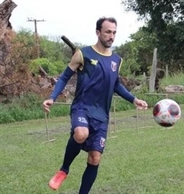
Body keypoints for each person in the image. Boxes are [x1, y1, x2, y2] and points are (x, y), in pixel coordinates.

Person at [43, 16, 148, 194]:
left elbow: (116, 84)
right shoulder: (83, 54)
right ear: (98, 32)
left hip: (102, 115)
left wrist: (133, 99)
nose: (111, 36)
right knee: (81, 133)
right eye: (108, 32)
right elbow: (64, 77)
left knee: (95, 158)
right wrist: (52, 97)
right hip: (82, 107)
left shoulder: (116, 60)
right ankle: (64, 170)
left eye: (114, 32)